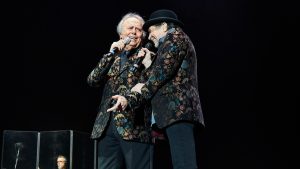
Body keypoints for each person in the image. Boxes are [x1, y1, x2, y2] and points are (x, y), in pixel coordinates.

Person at [108, 9, 205, 169]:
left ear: (165, 26)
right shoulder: (170, 42)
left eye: (152, 30)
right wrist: (148, 66)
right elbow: (159, 74)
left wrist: (131, 99)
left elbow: (158, 77)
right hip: (173, 114)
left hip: (178, 112)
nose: (150, 36)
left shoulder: (174, 38)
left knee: (184, 164)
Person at [87, 12, 153, 169]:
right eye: (130, 28)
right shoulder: (113, 57)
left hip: (134, 126)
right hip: (106, 125)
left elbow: (150, 85)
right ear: (121, 33)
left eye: (138, 29)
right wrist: (110, 55)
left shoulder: (147, 56)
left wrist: (149, 65)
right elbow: (92, 80)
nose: (134, 32)